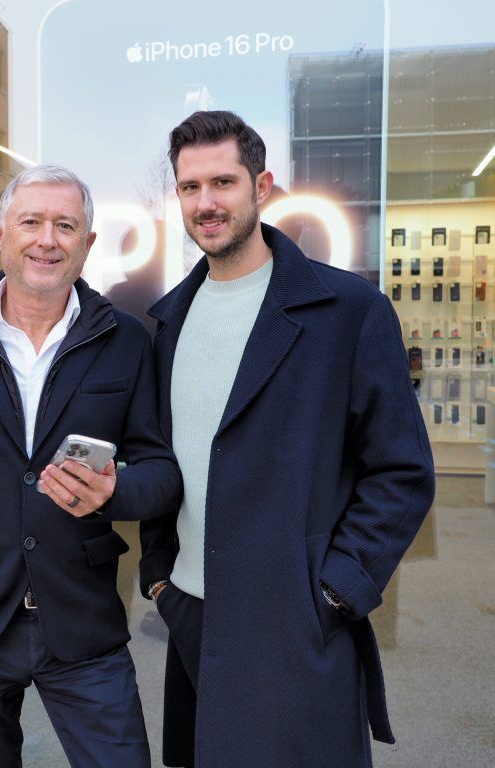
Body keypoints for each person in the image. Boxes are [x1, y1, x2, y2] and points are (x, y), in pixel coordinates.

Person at [139, 110, 435, 768]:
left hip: (294, 619)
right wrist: (159, 575)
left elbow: (402, 471)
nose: (206, 203)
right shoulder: (171, 322)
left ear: (262, 185)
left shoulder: (347, 311)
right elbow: (168, 458)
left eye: (223, 182)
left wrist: (335, 589)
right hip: (191, 611)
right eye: (190, 187)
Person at [0, 164, 182, 768]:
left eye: (65, 225)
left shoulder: (127, 338)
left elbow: (161, 470)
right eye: (31, 222)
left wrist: (115, 491)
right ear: (0, 234)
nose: (47, 239)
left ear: (88, 244)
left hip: (84, 619)